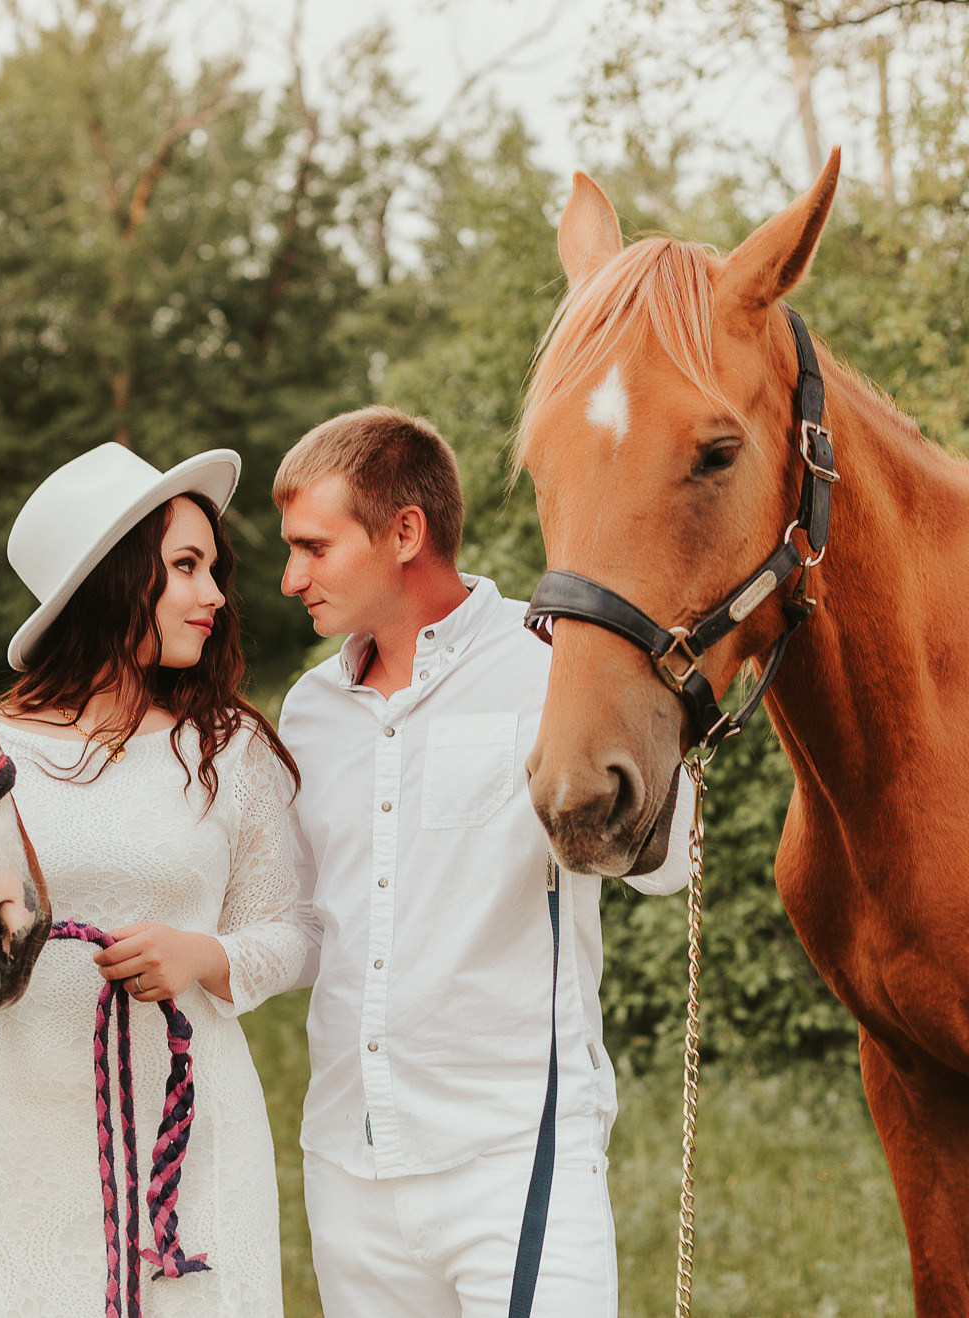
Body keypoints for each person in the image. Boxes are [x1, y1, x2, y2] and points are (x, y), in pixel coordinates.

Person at [0, 442, 304, 1317]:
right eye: (186, 567)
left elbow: (294, 932)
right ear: (115, 580)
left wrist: (199, 956)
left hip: (199, 1140)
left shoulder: (228, 748)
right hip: (42, 1143)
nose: (214, 596)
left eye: (213, 569)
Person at [273, 405, 694, 1317]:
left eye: (313, 547)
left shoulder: (551, 666)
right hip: (349, 1164)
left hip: (515, 1151)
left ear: (404, 534)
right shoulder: (307, 711)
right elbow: (305, 924)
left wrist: (641, 716)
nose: (288, 577)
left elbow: (668, 866)